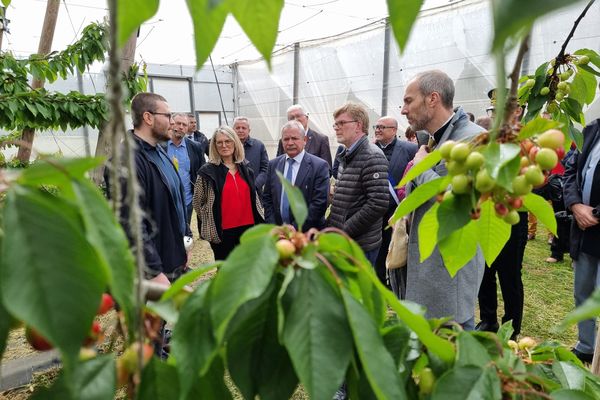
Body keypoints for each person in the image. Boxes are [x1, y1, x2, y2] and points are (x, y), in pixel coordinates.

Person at [400, 70, 484, 328]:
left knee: (452, 350)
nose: (403, 110)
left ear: (432, 99)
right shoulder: (435, 140)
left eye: (408, 101)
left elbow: (461, 202)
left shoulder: (472, 140)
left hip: (448, 274)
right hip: (429, 271)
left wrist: (421, 168)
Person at [105, 92, 188, 286]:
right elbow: (130, 223)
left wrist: (184, 242)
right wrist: (154, 271)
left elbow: (174, 200)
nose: (172, 122)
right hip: (150, 272)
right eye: (167, 116)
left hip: (171, 257)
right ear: (148, 117)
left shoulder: (159, 151)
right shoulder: (126, 161)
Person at [476, 104, 528, 339]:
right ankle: (488, 319)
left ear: (516, 111)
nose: (494, 116)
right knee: (485, 270)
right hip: (487, 213)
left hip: (512, 217)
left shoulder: (525, 140)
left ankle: (511, 328)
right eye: (492, 111)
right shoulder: (485, 140)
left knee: (510, 276)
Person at [327, 102, 389, 265]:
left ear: (358, 125)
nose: (336, 127)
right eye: (336, 124)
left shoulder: (372, 156)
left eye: (341, 123)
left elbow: (378, 204)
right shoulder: (346, 154)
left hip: (360, 246)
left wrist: (343, 231)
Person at [193, 126, 264, 260]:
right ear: (214, 145)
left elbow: (254, 197)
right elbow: (197, 202)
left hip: (248, 228)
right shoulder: (206, 172)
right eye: (219, 142)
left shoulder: (246, 168)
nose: (224, 145)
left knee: (246, 267)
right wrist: (209, 219)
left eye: (228, 141)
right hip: (222, 233)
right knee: (225, 270)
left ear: (235, 143)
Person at [563, 118, 600, 363]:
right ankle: (586, 346)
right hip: (584, 229)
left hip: (594, 221)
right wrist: (576, 205)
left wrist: (595, 213)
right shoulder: (590, 130)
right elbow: (570, 171)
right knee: (583, 291)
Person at [372, 116, 417, 287]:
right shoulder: (369, 149)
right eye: (376, 126)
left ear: (394, 130)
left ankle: (397, 283)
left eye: (382, 127)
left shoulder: (410, 149)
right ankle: (380, 282)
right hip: (375, 208)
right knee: (378, 247)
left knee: (398, 246)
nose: (378, 130)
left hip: (397, 209)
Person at [263, 120, 329, 231]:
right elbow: (267, 199)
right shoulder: (273, 165)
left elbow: (319, 204)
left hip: (307, 234)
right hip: (279, 234)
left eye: (294, 138)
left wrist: (295, 228)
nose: (290, 143)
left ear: (304, 140)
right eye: (286, 139)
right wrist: (274, 227)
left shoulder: (319, 166)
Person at [163, 113, 205, 224]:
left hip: (187, 200)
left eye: (184, 125)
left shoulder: (195, 147)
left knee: (185, 232)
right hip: (165, 200)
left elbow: (201, 171)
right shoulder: (160, 145)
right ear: (171, 124)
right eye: (178, 123)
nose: (181, 127)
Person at [276, 104, 333, 170]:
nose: (295, 119)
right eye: (291, 118)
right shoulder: (283, 141)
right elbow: (278, 165)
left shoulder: (321, 140)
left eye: (298, 116)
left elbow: (327, 169)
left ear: (307, 117)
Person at [233, 116, 268, 194]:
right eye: (237, 128)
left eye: (243, 128)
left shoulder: (259, 146)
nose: (240, 130)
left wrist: (255, 186)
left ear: (249, 130)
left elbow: (265, 169)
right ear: (233, 130)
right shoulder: (229, 147)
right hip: (233, 192)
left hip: (255, 192)